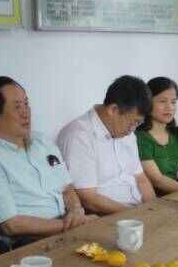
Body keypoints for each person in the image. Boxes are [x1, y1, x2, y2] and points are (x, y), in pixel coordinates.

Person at [0, 76, 95, 242]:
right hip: (31, 242)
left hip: (68, 228)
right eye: (17, 107)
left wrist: (76, 211)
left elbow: (66, 189)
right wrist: (70, 225)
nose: (26, 113)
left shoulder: (42, 142)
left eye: (26, 103)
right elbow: (11, 225)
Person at [56, 75, 156, 214]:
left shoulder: (127, 134)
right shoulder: (79, 135)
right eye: (134, 122)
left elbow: (140, 179)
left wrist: (154, 210)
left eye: (138, 123)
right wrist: (136, 215)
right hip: (106, 216)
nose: (133, 129)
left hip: (137, 211)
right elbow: (89, 199)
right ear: (113, 110)